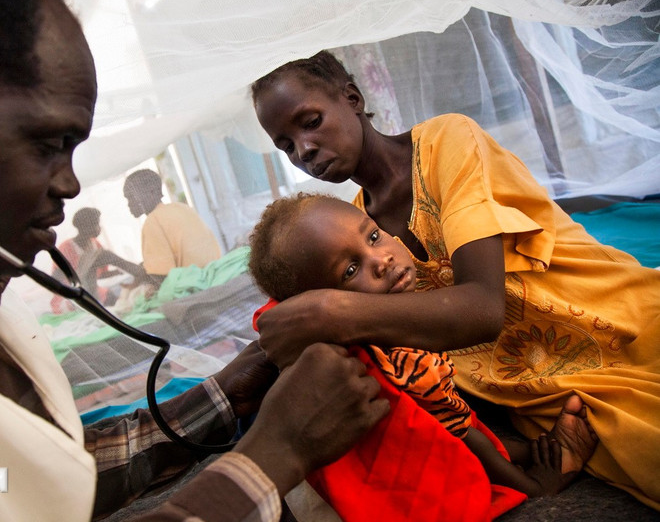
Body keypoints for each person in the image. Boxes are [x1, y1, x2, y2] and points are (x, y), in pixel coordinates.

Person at [0, 0, 391, 522]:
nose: (70, 185)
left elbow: (7, 480)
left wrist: (223, 396)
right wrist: (274, 455)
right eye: (49, 144)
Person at [251, 50, 660, 508]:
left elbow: (483, 309)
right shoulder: (353, 231)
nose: (304, 150)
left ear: (352, 98)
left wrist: (329, 310)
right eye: (286, 146)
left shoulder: (446, 142)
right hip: (541, 391)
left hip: (614, 319)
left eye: (310, 122)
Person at [248, 192, 598, 498]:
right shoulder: (389, 361)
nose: (381, 260)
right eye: (351, 271)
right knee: (465, 433)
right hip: (436, 450)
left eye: (373, 236)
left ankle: (525, 451)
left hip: (445, 419)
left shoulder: (397, 322)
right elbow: (454, 430)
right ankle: (535, 486)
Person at [123, 168, 222, 283]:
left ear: (152, 192)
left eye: (131, 197)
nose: (129, 204)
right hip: (216, 274)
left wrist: (118, 262)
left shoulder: (152, 222)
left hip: (194, 285)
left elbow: (161, 276)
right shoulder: (181, 208)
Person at [49, 207, 151, 313]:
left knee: (118, 300)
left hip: (93, 292)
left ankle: (145, 272)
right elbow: (56, 278)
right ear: (84, 227)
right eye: (96, 224)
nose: (99, 228)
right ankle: (145, 273)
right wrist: (81, 272)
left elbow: (100, 274)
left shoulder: (94, 245)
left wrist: (116, 272)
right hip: (71, 297)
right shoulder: (67, 248)